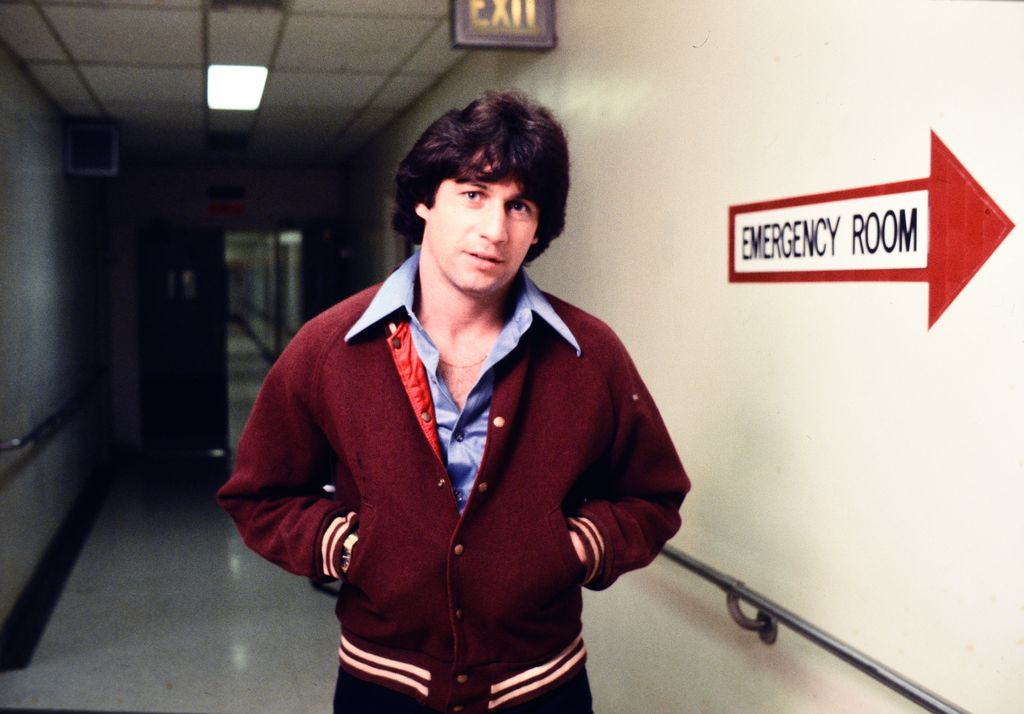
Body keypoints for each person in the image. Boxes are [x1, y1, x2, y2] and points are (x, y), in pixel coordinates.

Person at [217, 90, 690, 714]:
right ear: (424, 201)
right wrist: (352, 548)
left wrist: (572, 547)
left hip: (542, 687)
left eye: (518, 205)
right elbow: (259, 495)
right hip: (382, 685)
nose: (494, 230)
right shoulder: (330, 347)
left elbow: (652, 496)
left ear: (538, 226)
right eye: (473, 194)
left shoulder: (589, 354)